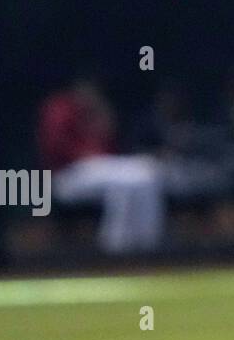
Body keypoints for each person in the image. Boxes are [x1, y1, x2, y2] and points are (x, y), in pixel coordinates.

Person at [37, 75, 166, 254]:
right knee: (125, 182)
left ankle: (147, 244)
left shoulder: (95, 108)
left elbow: (109, 146)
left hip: (95, 170)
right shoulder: (59, 108)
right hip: (66, 177)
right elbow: (55, 146)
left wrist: (100, 114)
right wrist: (84, 155)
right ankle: (115, 249)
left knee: (148, 173)